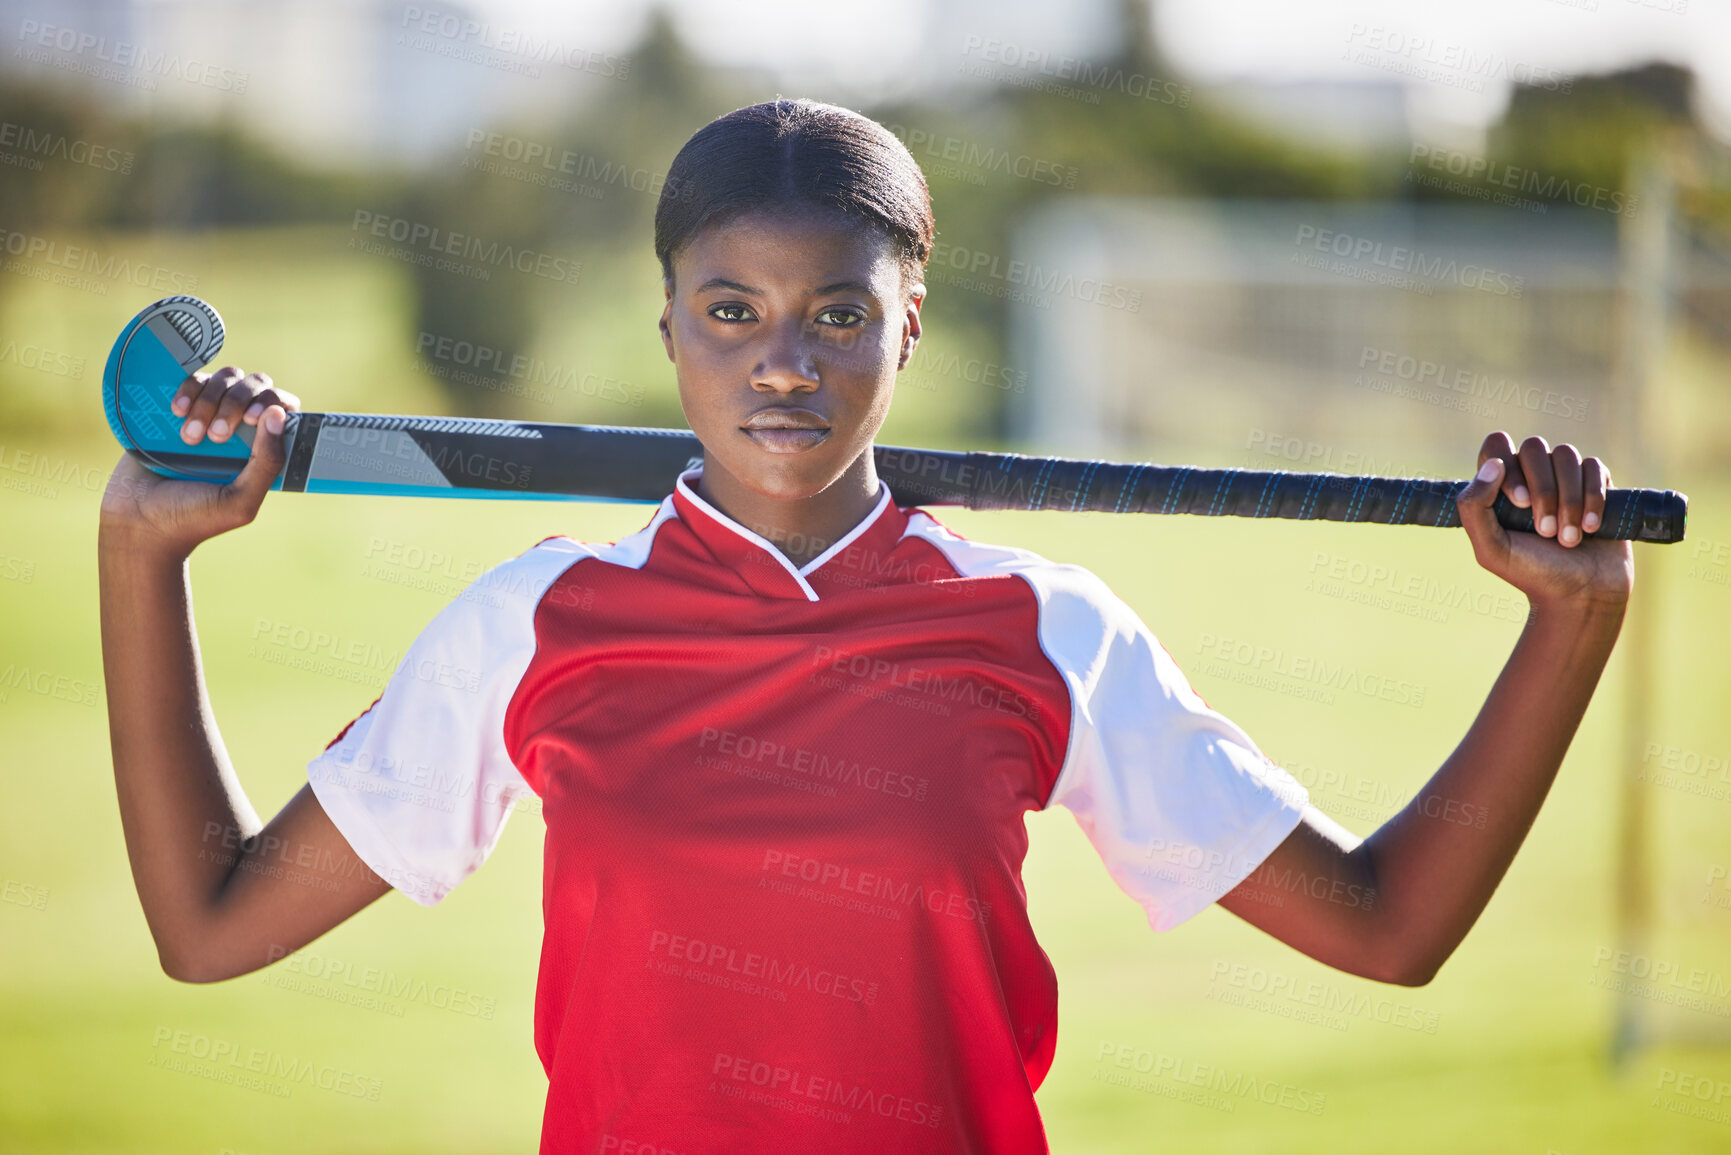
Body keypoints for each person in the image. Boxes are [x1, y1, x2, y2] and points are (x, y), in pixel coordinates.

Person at [97, 99, 1632, 1153]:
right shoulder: (537, 623)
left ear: (907, 327)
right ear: (669, 327)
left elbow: (1386, 927)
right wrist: (139, 556)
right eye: (730, 312)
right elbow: (213, 925)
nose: (784, 365)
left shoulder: (1042, 629)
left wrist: (1569, 625)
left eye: (837, 314)